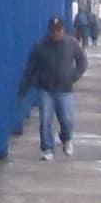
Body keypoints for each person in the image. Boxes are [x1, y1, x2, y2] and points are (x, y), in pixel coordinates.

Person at [23, 14, 87, 154]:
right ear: (49, 30)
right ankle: (47, 148)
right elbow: (31, 67)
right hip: (46, 88)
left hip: (65, 88)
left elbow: (82, 62)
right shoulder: (40, 46)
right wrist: (25, 86)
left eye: (58, 30)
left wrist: (73, 76)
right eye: (53, 30)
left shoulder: (71, 44)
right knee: (45, 119)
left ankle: (66, 138)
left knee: (67, 119)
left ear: (63, 30)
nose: (56, 33)